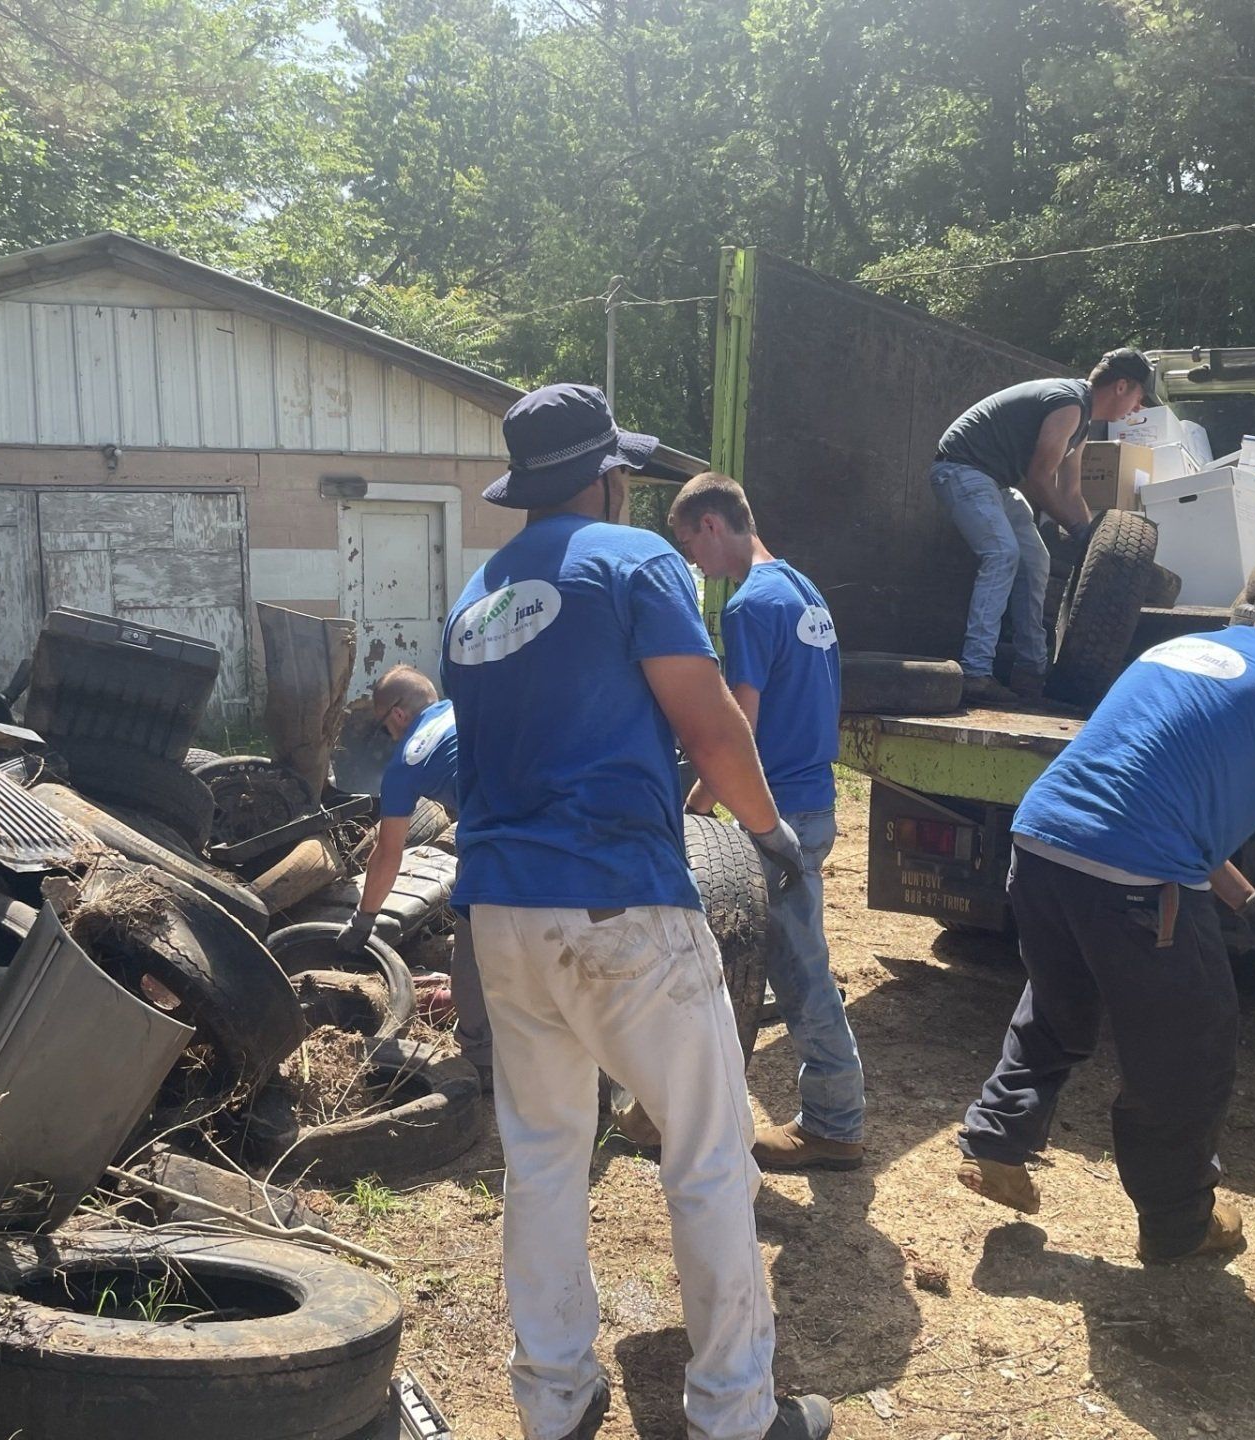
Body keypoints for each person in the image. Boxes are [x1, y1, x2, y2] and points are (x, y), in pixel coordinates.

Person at [439, 383, 833, 1440]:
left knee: (545, 1158)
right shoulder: (632, 562)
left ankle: (555, 1402)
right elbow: (708, 729)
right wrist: (772, 836)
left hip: (501, 917)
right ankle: (737, 1416)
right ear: (607, 477)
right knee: (707, 1156)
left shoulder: (474, 596)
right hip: (621, 903)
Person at [954, 566, 1255, 1263]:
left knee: (1060, 1002)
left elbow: (1155, 802)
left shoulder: (1173, 653)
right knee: (1188, 1052)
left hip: (1039, 844)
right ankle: (1178, 1222)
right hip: (1134, 878)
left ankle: (994, 1142)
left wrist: (1250, 904)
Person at [665, 472, 864, 1171]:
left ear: (714, 525)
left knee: (798, 972)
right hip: (814, 798)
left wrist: (694, 806)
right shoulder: (803, 591)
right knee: (776, 960)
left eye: (690, 544)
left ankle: (835, 1122)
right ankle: (668, 1103)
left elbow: (737, 729)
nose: (693, 562)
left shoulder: (750, 606)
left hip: (774, 810)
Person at [932, 349, 1155, 705]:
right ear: (1121, 386)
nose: (1138, 408)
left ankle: (1032, 671)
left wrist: (1091, 540)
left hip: (997, 482)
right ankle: (975, 672)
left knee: (1036, 561)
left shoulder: (1081, 420)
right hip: (962, 470)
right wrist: (1078, 529)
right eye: (1139, 398)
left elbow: (1070, 490)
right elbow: (1038, 479)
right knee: (1003, 554)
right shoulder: (1068, 402)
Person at [336, 665, 491, 1086]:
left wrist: (363, 919)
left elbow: (388, 853)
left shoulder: (409, 757)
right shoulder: (466, 708)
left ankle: (482, 1060)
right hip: (563, 816)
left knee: (473, 950)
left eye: (385, 727)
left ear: (399, 716)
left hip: (500, 841)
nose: (389, 736)